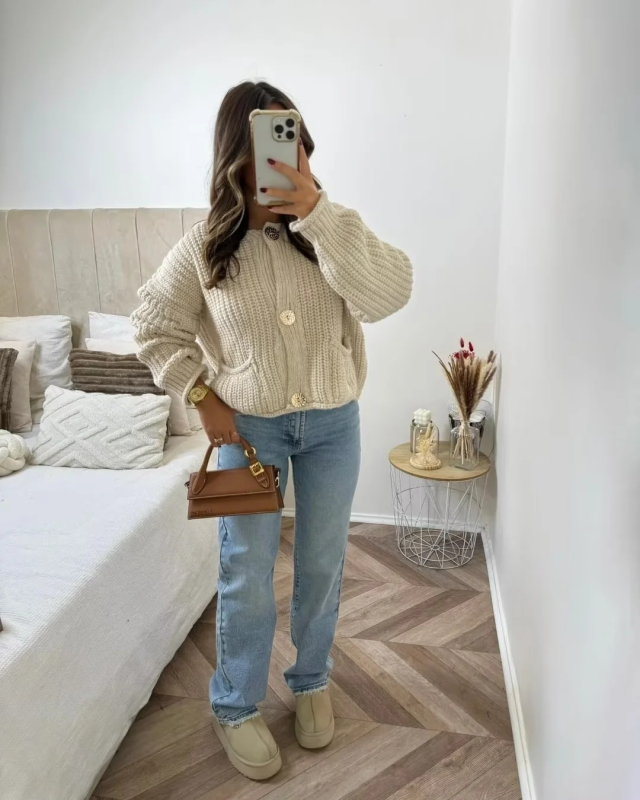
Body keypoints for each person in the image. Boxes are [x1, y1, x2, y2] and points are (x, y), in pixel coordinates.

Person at [131, 80, 412, 781]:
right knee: (245, 571)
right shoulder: (205, 246)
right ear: (235, 154)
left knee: (323, 562)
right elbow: (152, 326)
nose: (279, 158)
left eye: (290, 142)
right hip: (245, 432)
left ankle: (311, 680)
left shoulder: (331, 229)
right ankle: (235, 704)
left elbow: (391, 293)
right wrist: (202, 397)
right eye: (263, 144)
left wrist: (316, 211)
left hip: (334, 424)